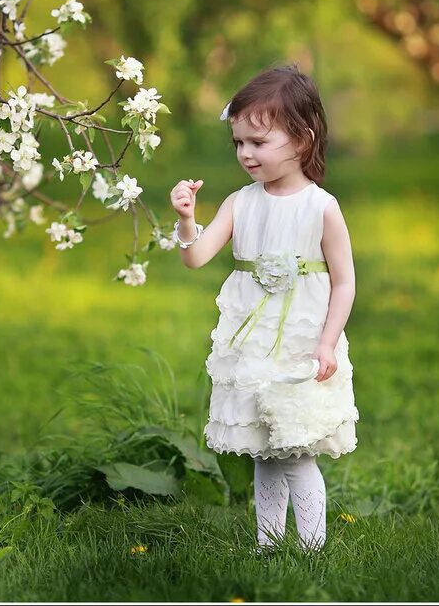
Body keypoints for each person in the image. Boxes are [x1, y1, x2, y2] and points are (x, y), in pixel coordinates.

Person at [168, 63, 359, 555]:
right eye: (238, 144)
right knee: (262, 452)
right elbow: (195, 257)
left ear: (301, 139)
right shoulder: (240, 202)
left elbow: (344, 281)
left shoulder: (321, 207)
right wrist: (187, 220)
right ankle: (269, 546)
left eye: (258, 142)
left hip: (300, 345)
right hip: (253, 345)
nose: (245, 154)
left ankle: (313, 550)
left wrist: (327, 342)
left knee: (294, 451)